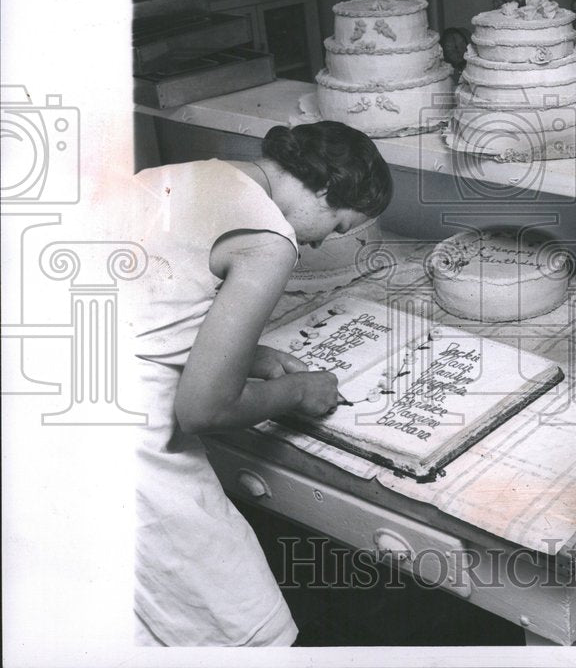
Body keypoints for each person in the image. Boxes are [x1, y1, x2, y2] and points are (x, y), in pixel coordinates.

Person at [127, 121, 393, 646]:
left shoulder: (189, 174)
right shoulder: (270, 240)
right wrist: (296, 392)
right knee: (243, 624)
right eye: (339, 225)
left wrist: (254, 356)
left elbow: (147, 308)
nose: (321, 243)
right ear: (323, 189)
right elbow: (203, 409)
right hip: (125, 444)